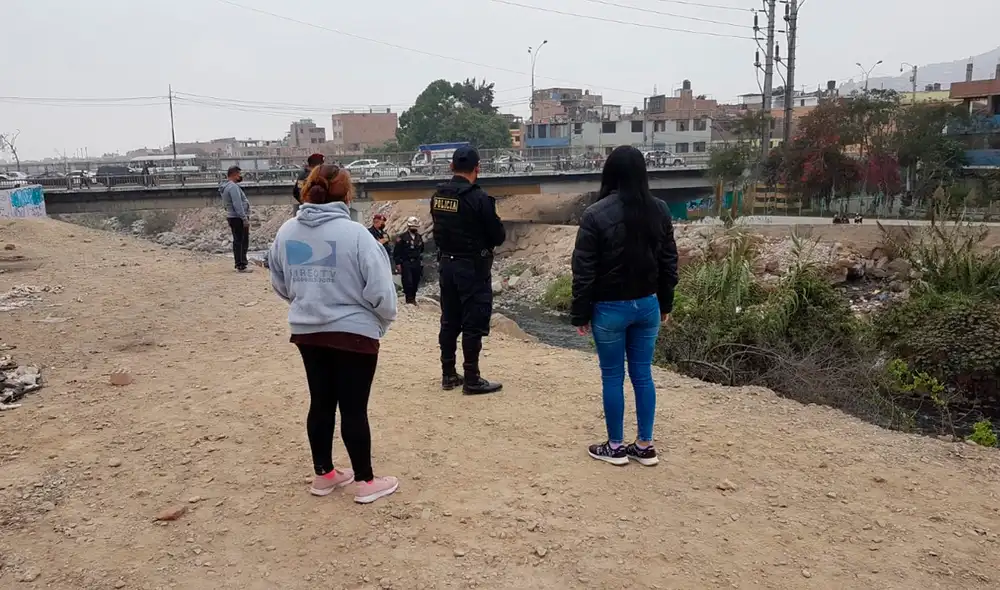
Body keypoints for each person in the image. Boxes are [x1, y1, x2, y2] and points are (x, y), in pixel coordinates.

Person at [268, 163, 400, 504]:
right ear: (347, 193)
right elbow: (382, 292)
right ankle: (366, 482)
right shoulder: (357, 235)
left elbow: (280, 281)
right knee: (354, 408)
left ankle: (324, 474)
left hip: (307, 333)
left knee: (321, 402)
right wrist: (380, 323)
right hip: (354, 334)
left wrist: (306, 301)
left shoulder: (286, 232)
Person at [570, 145, 678, 467]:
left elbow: (584, 270)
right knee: (643, 375)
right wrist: (666, 303)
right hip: (647, 305)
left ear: (610, 174)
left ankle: (615, 447)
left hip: (609, 310)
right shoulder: (660, 210)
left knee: (612, 377)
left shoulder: (594, 214)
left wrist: (580, 313)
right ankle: (645, 446)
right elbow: (669, 262)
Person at [430, 146, 506, 395]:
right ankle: (472, 377)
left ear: (452, 167)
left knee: (449, 321)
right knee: (473, 323)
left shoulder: (438, 195)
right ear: (477, 168)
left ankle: (448, 374)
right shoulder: (479, 198)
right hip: (472, 268)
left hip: (446, 267)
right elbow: (498, 236)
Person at [219, 165, 252, 273]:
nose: (240, 176)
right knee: (242, 241)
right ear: (234, 174)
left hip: (232, 217)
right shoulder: (233, 187)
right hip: (237, 218)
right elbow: (237, 204)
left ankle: (239, 263)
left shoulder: (225, 186)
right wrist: (244, 218)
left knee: (237, 240)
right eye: (239, 174)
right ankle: (241, 265)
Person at [393, 216, 425, 304]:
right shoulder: (402, 237)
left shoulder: (419, 237)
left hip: (416, 262)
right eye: (413, 227)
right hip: (406, 262)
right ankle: (409, 299)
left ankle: (413, 297)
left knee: (416, 280)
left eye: (416, 227)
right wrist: (398, 263)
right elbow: (397, 252)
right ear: (409, 226)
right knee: (408, 281)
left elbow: (422, 249)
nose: (414, 229)